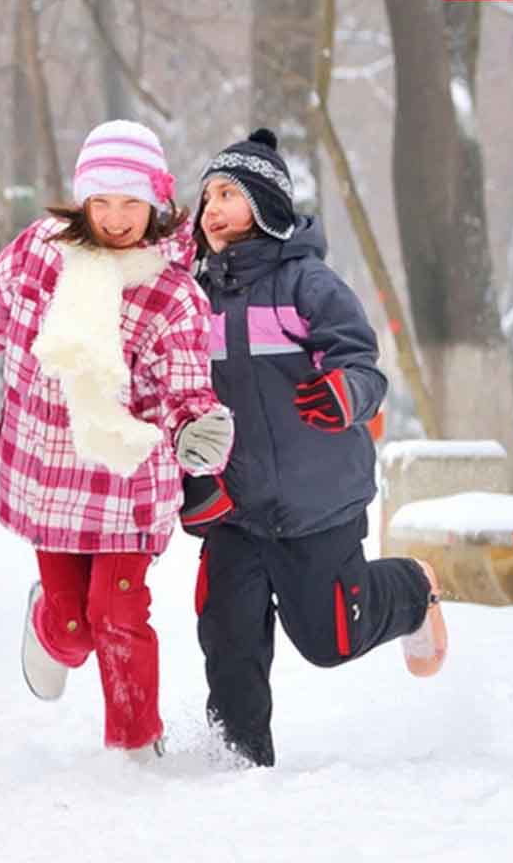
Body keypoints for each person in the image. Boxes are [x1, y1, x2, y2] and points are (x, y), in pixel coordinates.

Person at [0, 120, 233, 759]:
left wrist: (197, 423)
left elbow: (184, 380)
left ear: (157, 203)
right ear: (83, 200)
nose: (116, 218)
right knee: (72, 630)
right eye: (103, 202)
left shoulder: (172, 294)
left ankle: (135, 747)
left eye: (131, 203)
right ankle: (49, 621)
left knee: (117, 618)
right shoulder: (41, 252)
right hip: (49, 477)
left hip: (126, 485)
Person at [181, 128, 447, 768]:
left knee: (331, 639)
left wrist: (343, 392)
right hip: (232, 507)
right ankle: (237, 761)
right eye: (206, 195)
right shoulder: (192, 296)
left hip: (313, 500)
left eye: (228, 194)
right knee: (228, 637)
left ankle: (411, 590)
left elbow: (362, 362)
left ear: (267, 204)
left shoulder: (308, 283)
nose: (211, 208)